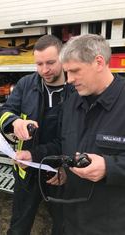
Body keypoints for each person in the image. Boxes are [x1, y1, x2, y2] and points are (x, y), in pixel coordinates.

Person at [0, 34, 71, 235]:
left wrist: (68, 169)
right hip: (27, 170)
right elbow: (3, 112)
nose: (44, 70)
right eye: (39, 64)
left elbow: (78, 137)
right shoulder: (25, 84)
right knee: (19, 224)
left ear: (63, 58)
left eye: (50, 63)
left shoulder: (75, 89)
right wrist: (15, 122)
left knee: (64, 225)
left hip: (59, 173)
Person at [59, 34, 125, 235]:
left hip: (112, 224)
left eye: (75, 71)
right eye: (67, 72)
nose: (69, 80)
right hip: (71, 218)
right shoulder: (72, 102)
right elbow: (63, 142)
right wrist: (37, 157)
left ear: (98, 62)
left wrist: (109, 168)